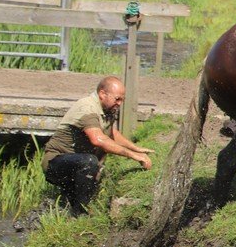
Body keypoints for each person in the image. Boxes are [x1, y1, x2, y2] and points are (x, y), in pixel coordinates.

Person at [42, 76, 153, 214]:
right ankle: (80, 213)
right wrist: (133, 156)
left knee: (89, 162)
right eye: (117, 99)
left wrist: (136, 148)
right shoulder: (87, 108)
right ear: (102, 94)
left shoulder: (107, 108)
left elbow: (112, 134)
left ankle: (71, 205)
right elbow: (98, 139)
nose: (119, 103)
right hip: (56, 162)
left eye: (122, 100)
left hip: (76, 163)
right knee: (89, 161)